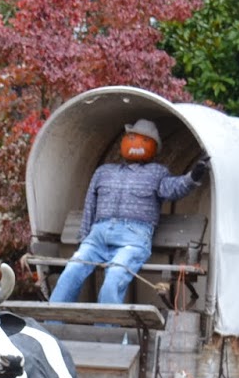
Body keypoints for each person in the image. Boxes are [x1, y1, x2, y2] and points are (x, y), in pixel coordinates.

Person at [49, 119, 208, 305]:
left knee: (114, 278)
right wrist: (85, 237)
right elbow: (90, 204)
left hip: (133, 239)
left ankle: (108, 331)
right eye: (131, 137)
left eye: (144, 140)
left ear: (154, 148)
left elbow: (173, 189)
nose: (136, 144)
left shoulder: (157, 173)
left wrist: (193, 176)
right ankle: (51, 327)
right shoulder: (104, 171)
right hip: (97, 236)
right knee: (71, 272)